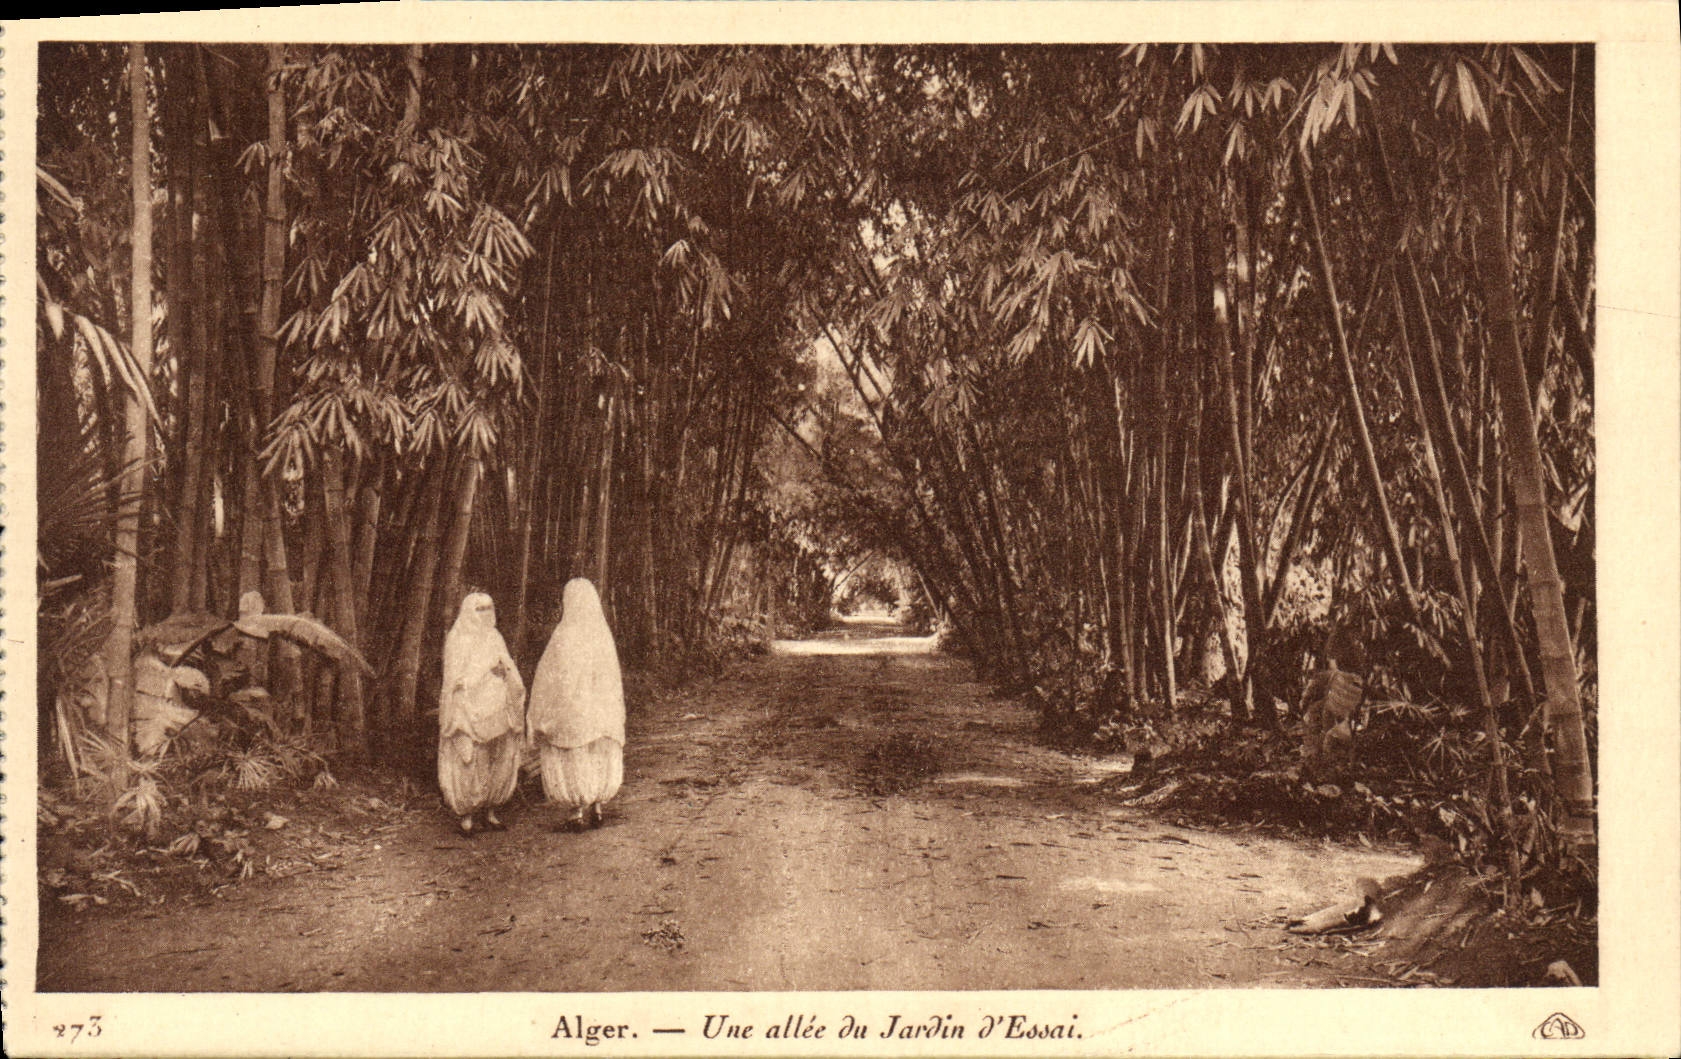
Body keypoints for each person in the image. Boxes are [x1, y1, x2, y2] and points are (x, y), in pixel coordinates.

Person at [528, 578, 625, 830]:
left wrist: (543, 713)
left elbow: (550, 678)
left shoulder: (564, 635)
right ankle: (597, 807)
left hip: (574, 713)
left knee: (576, 755)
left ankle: (577, 812)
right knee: (597, 754)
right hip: (601, 714)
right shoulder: (602, 636)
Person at [438, 592, 526, 836]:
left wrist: (504, 672)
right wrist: (482, 673)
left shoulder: (495, 637)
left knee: (497, 756)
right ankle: (467, 816)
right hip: (468, 708)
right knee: (470, 758)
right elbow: (455, 677)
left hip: (496, 705)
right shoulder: (457, 638)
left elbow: (507, 667)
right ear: (468, 612)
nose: (486, 613)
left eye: (489, 608)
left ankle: (491, 811)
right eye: (480, 609)